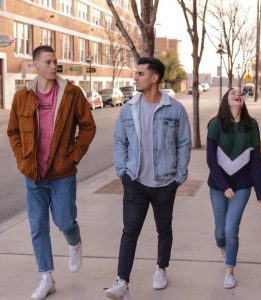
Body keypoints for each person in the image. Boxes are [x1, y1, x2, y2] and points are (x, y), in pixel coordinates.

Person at [7, 45, 96, 300]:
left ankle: (74, 241)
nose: (53, 66)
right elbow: (13, 132)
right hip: (33, 175)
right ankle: (46, 277)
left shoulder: (71, 93)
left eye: (55, 61)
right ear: (35, 65)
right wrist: (22, 158)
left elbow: (88, 127)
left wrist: (74, 155)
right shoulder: (22, 96)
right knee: (37, 227)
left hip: (62, 173)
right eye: (47, 61)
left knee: (65, 220)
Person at [105, 57, 191, 299]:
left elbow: (184, 143)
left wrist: (179, 177)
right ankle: (122, 282)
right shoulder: (128, 108)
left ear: (154, 78)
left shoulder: (175, 109)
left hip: (165, 183)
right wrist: (122, 172)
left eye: (140, 73)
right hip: (135, 182)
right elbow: (120, 141)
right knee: (129, 230)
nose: (136, 77)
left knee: (164, 228)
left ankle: (161, 268)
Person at [207, 88, 261, 289]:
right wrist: (224, 187)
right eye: (233, 92)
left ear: (243, 101)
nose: (238, 94)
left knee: (231, 228)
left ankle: (229, 270)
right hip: (218, 185)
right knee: (220, 232)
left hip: (242, 185)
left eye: (241, 93)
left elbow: (255, 161)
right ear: (226, 99)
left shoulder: (252, 126)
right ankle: (223, 249)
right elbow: (211, 161)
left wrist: (260, 191)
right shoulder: (215, 125)